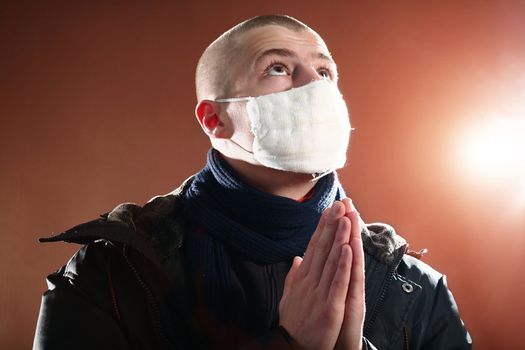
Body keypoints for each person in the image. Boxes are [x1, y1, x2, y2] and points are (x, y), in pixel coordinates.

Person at [33, 15, 472, 350]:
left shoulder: (412, 286)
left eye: (324, 73)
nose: (315, 89)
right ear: (215, 119)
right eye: (278, 68)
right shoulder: (112, 273)